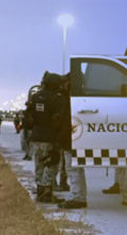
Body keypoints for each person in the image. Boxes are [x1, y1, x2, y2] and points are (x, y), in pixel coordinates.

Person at [28, 72, 64, 203]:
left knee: (39, 165)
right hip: (50, 137)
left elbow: (29, 117)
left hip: (36, 136)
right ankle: (47, 192)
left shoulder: (35, 96)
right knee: (51, 164)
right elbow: (58, 119)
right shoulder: (57, 98)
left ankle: (40, 190)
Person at [56, 74, 88, 209]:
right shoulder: (77, 99)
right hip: (72, 137)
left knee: (73, 169)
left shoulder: (70, 100)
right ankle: (78, 196)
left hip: (71, 138)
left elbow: (65, 122)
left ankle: (78, 197)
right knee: (74, 169)